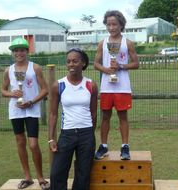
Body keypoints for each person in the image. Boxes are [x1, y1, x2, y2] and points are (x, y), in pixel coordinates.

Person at [1, 38, 50, 190]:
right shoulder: (8, 70)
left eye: (22, 50)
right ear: (13, 53)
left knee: (33, 145)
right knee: (20, 142)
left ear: (27, 51)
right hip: (15, 110)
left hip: (31, 109)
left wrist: (31, 102)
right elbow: (3, 90)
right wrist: (11, 94)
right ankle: (27, 177)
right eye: (16, 50)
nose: (19, 53)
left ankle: (40, 178)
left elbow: (45, 89)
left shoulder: (35, 68)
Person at [49, 48, 98, 190]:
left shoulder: (91, 85)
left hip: (86, 134)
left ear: (83, 63)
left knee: (83, 174)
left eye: (75, 61)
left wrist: (89, 133)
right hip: (67, 134)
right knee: (57, 172)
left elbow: (94, 113)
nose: (71, 64)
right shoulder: (58, 85)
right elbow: (53, 114)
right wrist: (51, 138)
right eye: (68, 61)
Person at [93, 10, 139, 160]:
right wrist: (106, 70)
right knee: (105, 116)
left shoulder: (128, 43)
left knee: (123, 117)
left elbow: (136, 64)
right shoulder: (103, 43)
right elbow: (95, 63)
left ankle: (125, 147)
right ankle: (104, 146)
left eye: (114, 24)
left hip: (123, 87)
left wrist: (121, 66)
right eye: (108, 24)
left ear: (121, 25)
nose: (111, 27)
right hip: (107, 87)